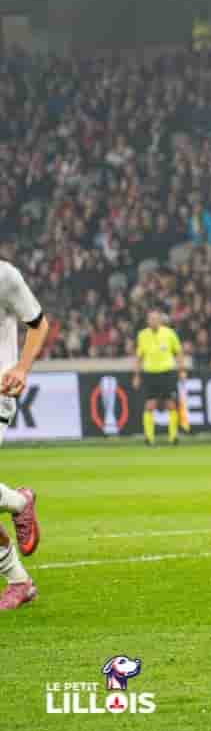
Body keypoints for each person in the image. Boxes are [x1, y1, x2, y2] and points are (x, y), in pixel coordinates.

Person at [0, 261, 50, 611]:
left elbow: (37, 324)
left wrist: (22, 367)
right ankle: (19, 581)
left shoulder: (4, 275)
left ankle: (20, 503)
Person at [134, 311, 187, 447]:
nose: (154, 321)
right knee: (150, 405)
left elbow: (178, 352)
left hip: (167, 372)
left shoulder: (169, 333)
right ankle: (149, 438)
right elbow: (139, 357)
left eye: (156, 319)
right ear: (148, 321)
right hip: (151, 373)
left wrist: (181, 370)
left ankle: (173, 437)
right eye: (151, 319)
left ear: (160, 321)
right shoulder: (142, 335)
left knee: (171, 404)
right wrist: (136, 375)